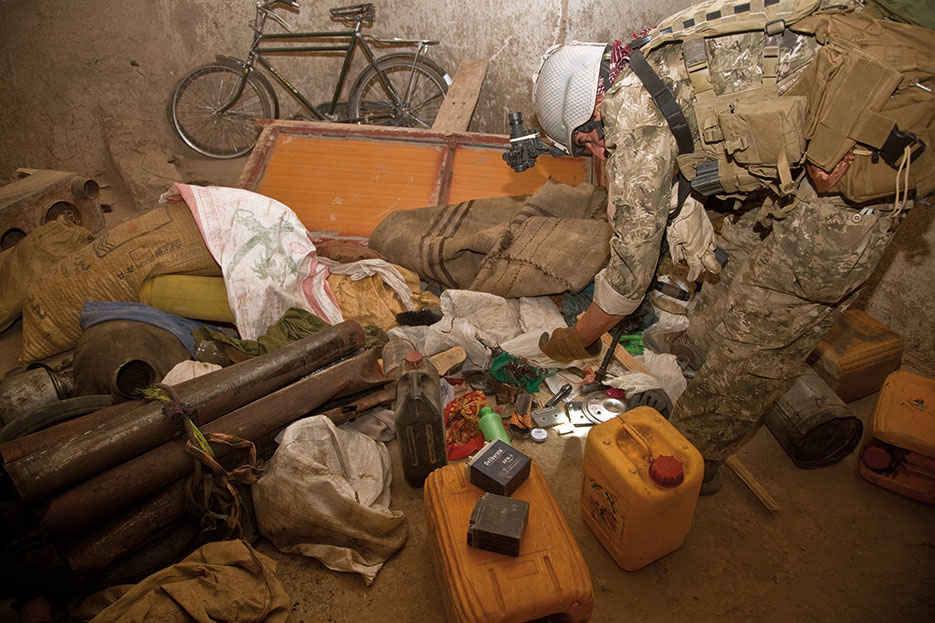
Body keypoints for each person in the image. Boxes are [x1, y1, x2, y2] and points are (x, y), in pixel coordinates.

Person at [532, 0, 934, 492]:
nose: (598, 152)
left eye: (588, 142)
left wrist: (580, 335)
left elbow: (629, 276)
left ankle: (697, 453)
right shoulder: (651, 51)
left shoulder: (631, 115)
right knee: (739, 251)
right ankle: (701, 351)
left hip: (860, 163)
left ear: (591, 112)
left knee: (765, 325)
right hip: (814, 149)